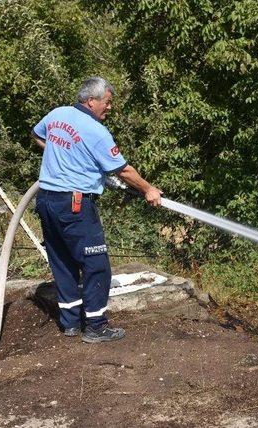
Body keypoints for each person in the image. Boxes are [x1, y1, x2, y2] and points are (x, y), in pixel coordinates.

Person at [31, 76, 162, 343]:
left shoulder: (58, 114)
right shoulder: (96, 131)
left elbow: (37, 135)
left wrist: (65, 157)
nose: (109, 107)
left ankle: (70, 324)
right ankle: (96, 327)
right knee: (96, 265)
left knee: (63, 262)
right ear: (91, 101)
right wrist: (148, 189)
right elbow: (123, 170)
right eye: (107, 102)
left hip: (46, 201)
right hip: (75, 204)